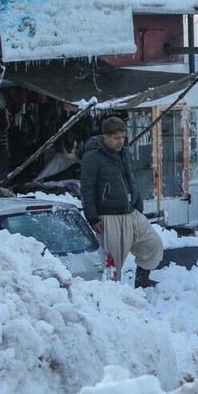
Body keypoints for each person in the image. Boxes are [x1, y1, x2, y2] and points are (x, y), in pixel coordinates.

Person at [79, 116, 163, 288]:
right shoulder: (93, 157)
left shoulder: (125, 153)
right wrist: (92, 218)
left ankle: (142, 280)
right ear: (106, 136)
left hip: (131, 212)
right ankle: (112, 297)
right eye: (116, 138)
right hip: (108, 217)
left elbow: (132, 180)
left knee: (153, 244)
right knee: (112, 264)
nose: (120, 141)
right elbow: (87, 190)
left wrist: (138, 204)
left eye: (123, 137)